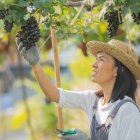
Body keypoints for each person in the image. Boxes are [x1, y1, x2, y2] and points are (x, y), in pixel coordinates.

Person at [16, 38, 140, 140]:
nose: (94, 64)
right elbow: (55, 95)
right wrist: (35, 64)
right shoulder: (94, 100)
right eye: (96, 59)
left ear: (117, 70)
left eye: (101, 59)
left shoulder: (128, 111)